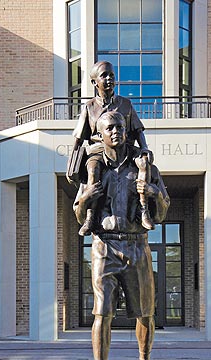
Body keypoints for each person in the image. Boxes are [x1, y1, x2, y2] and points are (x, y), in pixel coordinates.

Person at [73, 111, 170, 360]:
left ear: (127, 130)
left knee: (145, 312)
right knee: (102, 313)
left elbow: (164, 209)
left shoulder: (144, 165)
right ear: (100, 135)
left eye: (119, 127)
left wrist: (152, 192)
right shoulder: (94, 167)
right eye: (109, 128)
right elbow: (79, 213)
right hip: (104, 245)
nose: (115, 131)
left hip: (137, 244)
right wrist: (87, 198)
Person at [66, 60, 154, 236]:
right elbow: (79, 137)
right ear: (94, 82)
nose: (109, 79)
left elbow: (137, 129)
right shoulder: (90, 107)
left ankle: (143, 210)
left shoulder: (125, 104)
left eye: (112, 75)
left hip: (126, 149)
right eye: (104, 75)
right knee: (93, 169)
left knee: (144, 164)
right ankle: (90, 215)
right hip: (98, 149)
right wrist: (72, 159)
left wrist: (144, 148)